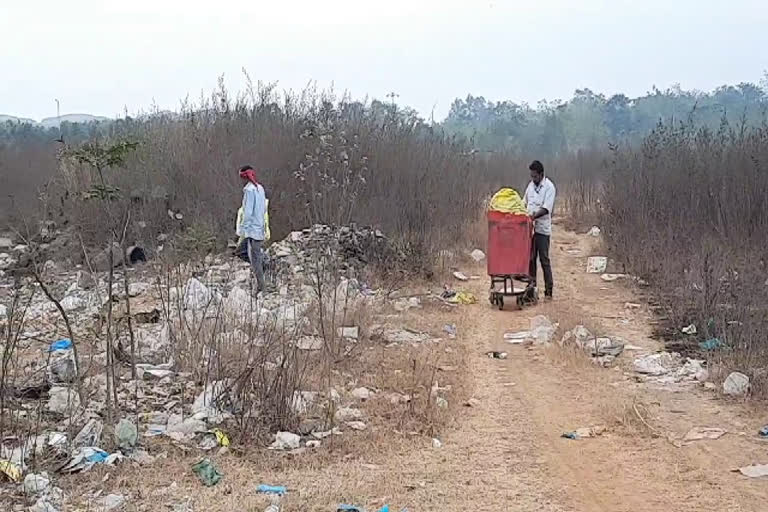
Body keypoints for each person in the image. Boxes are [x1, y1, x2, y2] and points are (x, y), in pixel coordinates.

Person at [524, 160, 556, 299]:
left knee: (544, 260)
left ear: (541, 174)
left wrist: (533, 216)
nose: (533, 179)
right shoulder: (530, 187)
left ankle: (548, 291)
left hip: (542, 230)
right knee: (531, 260)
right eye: (531, 176)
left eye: (535, 176)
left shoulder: (549, 187)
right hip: (530, 230)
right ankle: (531, 291)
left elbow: (546, 208)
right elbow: (523, 203)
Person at [236, 165, 267, 292]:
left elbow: (247, 212)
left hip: (252, 231)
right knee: (249, 254)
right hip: (259, 228)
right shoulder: (260, 188)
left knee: (254, 259)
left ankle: (261, 287)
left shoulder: (249, 190)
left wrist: (242, 230)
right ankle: (262, 265)